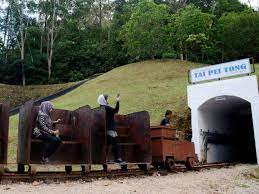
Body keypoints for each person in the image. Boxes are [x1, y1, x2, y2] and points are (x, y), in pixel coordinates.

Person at [97, 94, 124, 164]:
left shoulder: (100, 109)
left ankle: (104, 159)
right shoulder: (107, 108)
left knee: (107, 145)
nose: (107, 100)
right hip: (111, 129)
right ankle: (117, 158)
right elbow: (116, 110)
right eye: (106, 99)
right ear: (104, 100)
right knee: (115, 144)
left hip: (104, 130)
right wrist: (117, 101)